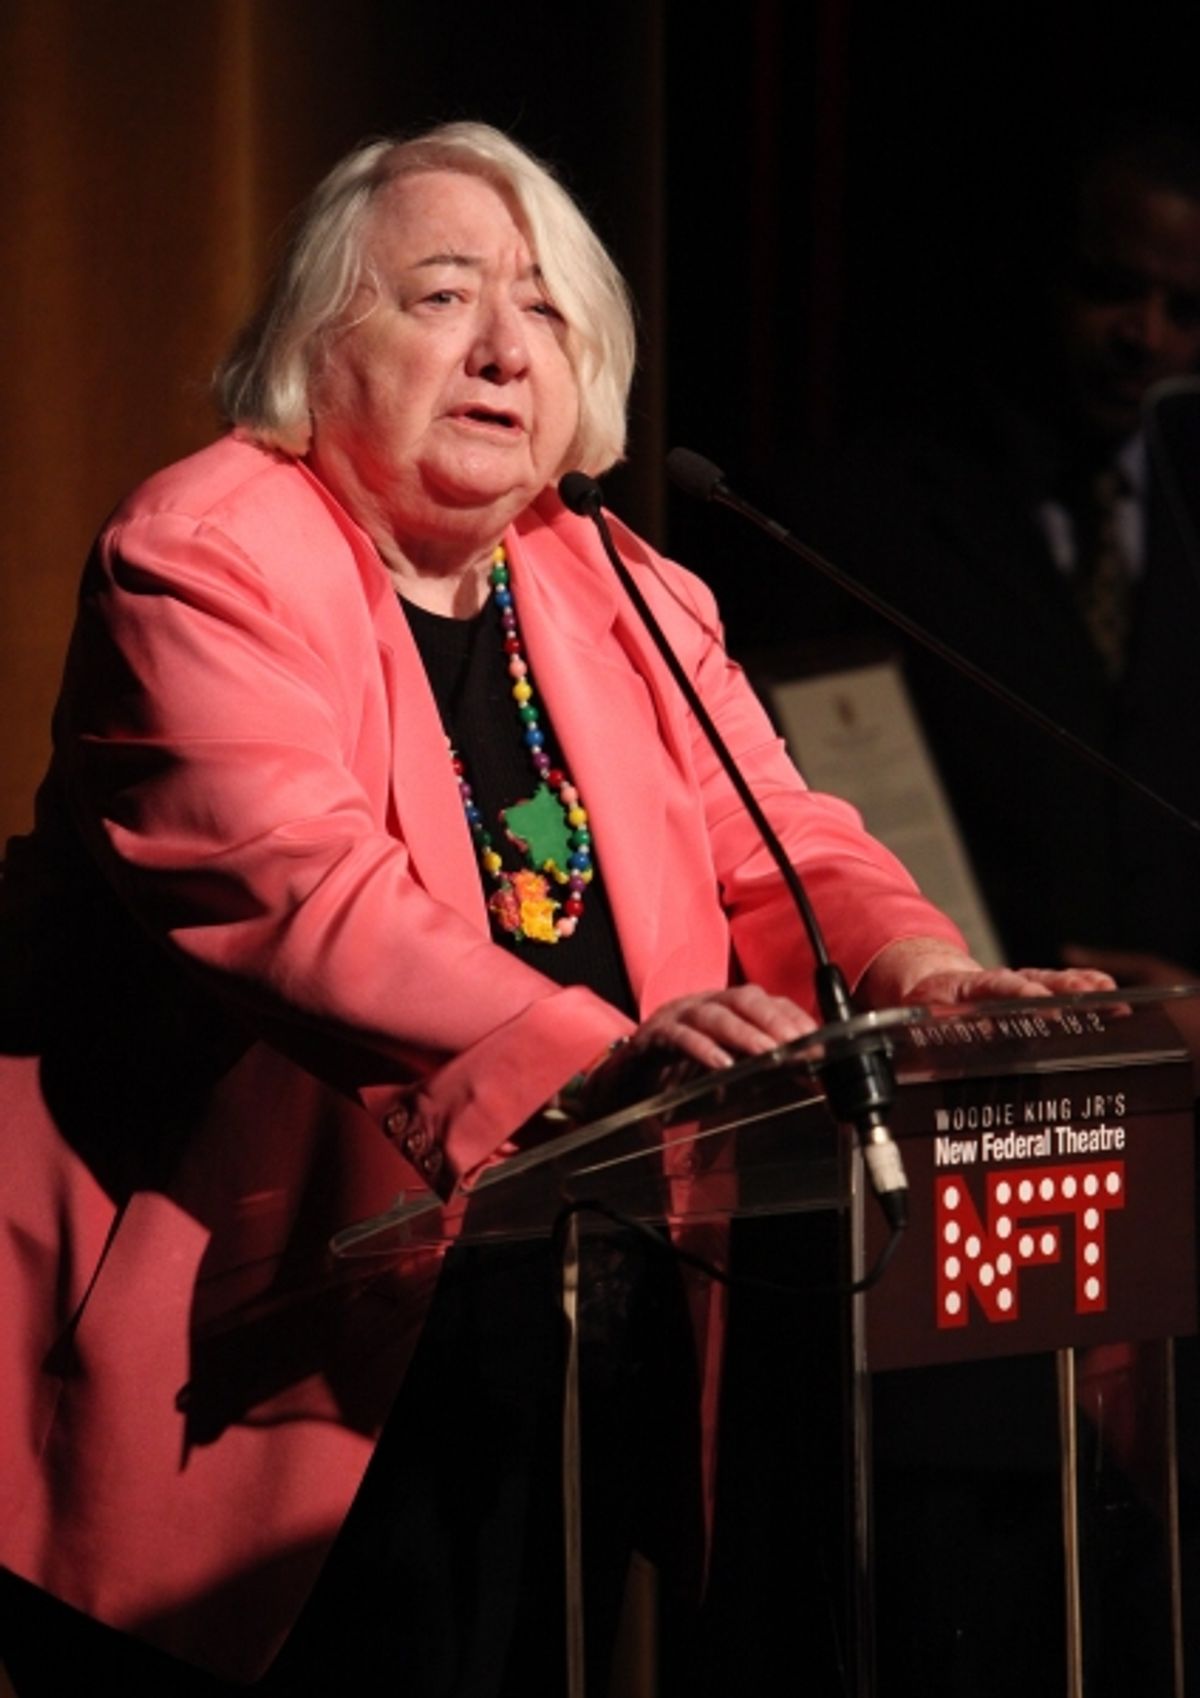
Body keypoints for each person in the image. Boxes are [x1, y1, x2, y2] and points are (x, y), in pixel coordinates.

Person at [0, 122, 1105, 1696]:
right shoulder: (204, 552)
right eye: (445, 296)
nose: (508, 349)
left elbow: (774, 836)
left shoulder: (614, 579)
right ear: (319, 342)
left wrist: (915, 966)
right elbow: (302, 890)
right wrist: (604, 1056)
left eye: (547, 307)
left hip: (564, 1314)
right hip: (253, 1337)